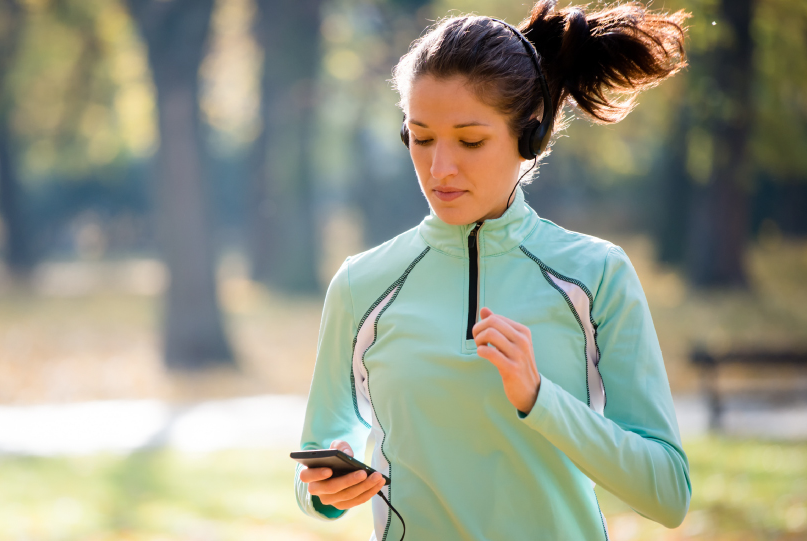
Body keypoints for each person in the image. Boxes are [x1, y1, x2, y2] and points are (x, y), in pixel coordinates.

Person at [294, 0, 693, 539]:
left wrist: (540, 397)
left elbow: (667, 493)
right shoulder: (361, 284)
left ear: (530, 134)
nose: (440, 168)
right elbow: (318, 460)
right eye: (422, 137)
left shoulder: (597, 276)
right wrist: (324, 493)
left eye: (470, 140)